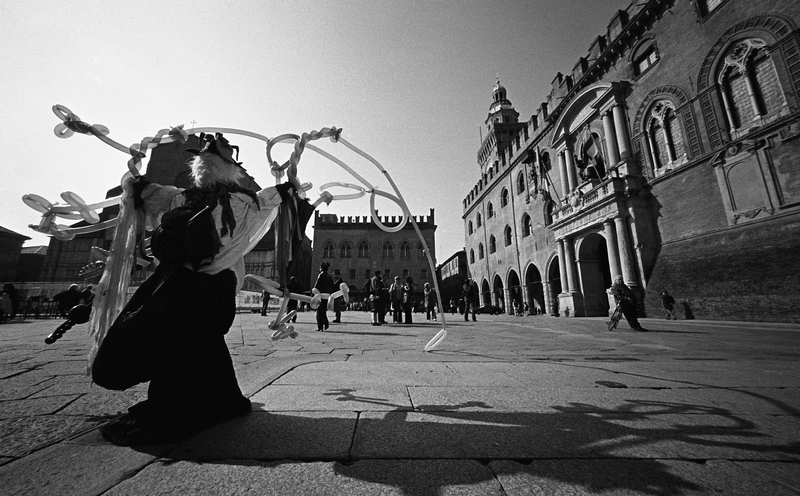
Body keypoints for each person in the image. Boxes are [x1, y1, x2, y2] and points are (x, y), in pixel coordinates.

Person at [91, 132, 295, 446]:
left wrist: (136, 184)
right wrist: (287, 186)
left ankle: (199, 404)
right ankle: (212, 403)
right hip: (203, 288)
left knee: (187, 344)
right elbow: (272, 197)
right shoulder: (234, 201)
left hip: (182, 286)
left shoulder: (194, 199)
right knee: (199, 344)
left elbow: (148, 192)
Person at [314, 262, 335, 331]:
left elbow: (317, 285)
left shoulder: (321, 275)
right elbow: (332, 286)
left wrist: (314, 294)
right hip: (327, 296)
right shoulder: (329, 277)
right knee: (323, 311)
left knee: (319, 311)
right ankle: (326, 324)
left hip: (321, 295)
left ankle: (320, 327)